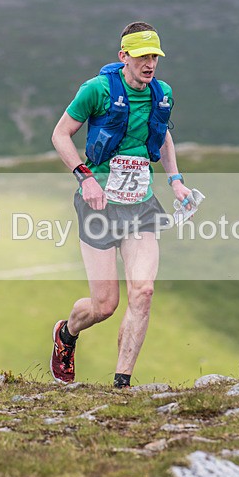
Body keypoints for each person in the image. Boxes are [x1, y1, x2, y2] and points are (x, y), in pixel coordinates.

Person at [50, 21, 192, 388]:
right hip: (98, 205)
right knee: (104, 305)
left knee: (143, 291)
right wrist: (86, 176)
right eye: (143, 56)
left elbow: (161, 136)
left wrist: (175, 180)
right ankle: (66, 334)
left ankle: (121, 385)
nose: (150, 64)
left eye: (155, 57)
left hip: (140, 204)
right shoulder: (95, 90)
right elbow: (60, 134)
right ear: (123, 56)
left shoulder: (162, 93)